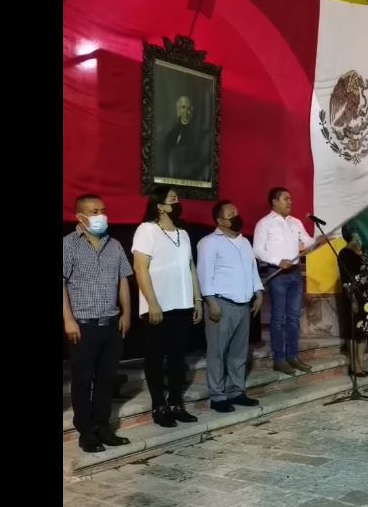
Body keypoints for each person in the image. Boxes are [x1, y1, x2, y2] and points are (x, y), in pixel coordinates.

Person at [63, 193, 133, 453]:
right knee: (82, 380)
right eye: (94, 211)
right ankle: (86, 431)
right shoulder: (68, 245)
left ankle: (103, 427)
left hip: (111, 324)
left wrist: (126, 313)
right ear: (79, 216)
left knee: (106, 379)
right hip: (83, 325)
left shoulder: (114, 244)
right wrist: (68, 320)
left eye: (102, 210)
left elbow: (123, 279)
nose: (100, 215)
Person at [131, 186, 203, 428]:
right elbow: (140, 268)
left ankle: (175, 403)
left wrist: (197, 299)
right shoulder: (147, 230)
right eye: (173, 199)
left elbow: (190, 267)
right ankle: (159, 405)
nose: (177, 202)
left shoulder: (183, 233)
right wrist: (152, 303)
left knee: (177, 357)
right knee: (154, 357)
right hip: (158, 307)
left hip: (182, 305)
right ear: (160, 205)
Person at [197, 200, 264, 412]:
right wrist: (211, 302)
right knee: (217, 352)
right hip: (221, 305)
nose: (236, 215)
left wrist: (259, 293)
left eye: (237, 211)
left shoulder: (245, 242)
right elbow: (204, 274)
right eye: (231, 213)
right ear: (220, 221)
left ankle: (236, 391)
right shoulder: (209, 243)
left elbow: (252, 271)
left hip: (244, 305)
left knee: (238, 352)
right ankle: (217, 396)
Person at [253, 187, 322, 376]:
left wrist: (318, 240)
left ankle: (293, 356)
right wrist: (277, 261)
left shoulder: (296, 222)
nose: (290, 202)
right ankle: (279, 359)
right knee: (279, 319)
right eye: (286, 199)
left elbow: (306, 242)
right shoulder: (265, 224)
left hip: (295, 274)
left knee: (293, 318)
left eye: (290, 199)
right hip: (277, 275)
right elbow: (258, 249)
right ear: (274, 202)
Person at [336, 224, 368, 377]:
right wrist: (352, 300)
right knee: (355, 332)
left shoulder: (364, 252)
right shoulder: (344, 254)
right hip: (354, 297)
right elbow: (346, 280)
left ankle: (361, 364)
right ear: (351, 234)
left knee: (363, 332)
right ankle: (354, 366)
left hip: (367, 298)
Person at [163, 95, 210, 182]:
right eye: (183, 107)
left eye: (188, 108)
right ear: (178, 110)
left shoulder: (197, 132)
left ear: (191, 111)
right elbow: (167, 153)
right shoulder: (172, 132)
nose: (186, 111)